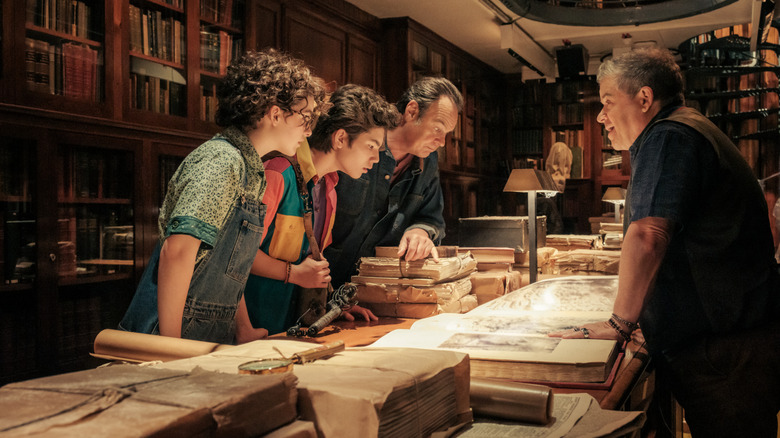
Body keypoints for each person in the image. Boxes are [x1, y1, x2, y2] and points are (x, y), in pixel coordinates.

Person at [550, 48, 780, 437]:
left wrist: (620, 323)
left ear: (644, 98)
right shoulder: (685, 128)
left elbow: (648, 235)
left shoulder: (668, 135)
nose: (601, 116)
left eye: (608, 102)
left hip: (726, 352)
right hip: (735, 342)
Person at [119, 49, 326, 344]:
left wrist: (243, 327)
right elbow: (177, 252)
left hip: (209, 334)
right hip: (168, 335)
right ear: (275, 114)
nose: (308, 130)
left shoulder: (250, 168)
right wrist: (171, 347)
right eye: (305, 117)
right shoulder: (221, 160)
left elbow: (232, 261)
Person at [243, 84, 400, 334]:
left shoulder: (329, 187)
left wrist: (334, 306)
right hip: (253, 329)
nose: (376, 159)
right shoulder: (278, 173)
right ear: (339, 138)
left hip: (291, 329)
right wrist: (292, 273)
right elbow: (238, 255)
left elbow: (310, 265)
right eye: (371, 146)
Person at [323, 77, 463, 287]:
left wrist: (420, 231)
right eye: (437, 129)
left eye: (447, 134)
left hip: (372, 291)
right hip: (316, 284)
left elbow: (432, 218)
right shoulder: (359, 140)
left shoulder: (428, 161)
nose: (442, 142)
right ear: (412, 111)